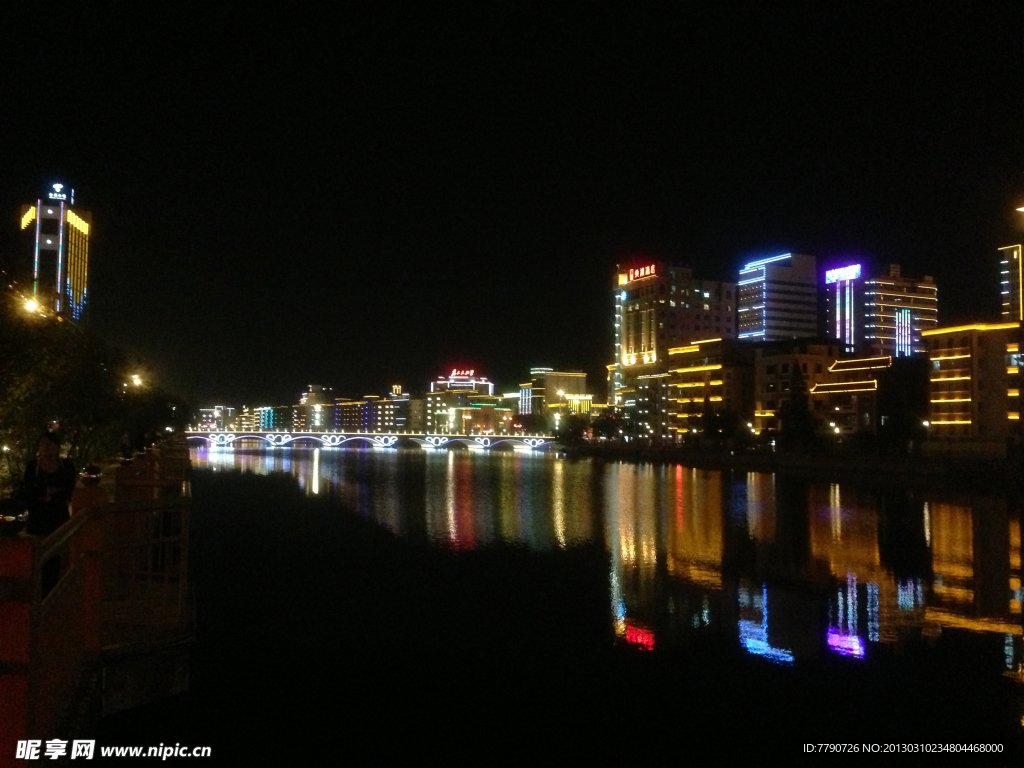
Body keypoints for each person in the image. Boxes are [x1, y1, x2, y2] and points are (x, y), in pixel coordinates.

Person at [22, 432, 76, 537]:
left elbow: (70, 487)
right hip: (37, 517)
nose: (47, 447)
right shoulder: (32, 466)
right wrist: (44, 492)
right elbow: (27, 489)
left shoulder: (66, 465)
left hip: (59, 514)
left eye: (50, 443)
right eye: (43, 443)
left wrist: (53, 491)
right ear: (38, 447)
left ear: (57, 446)